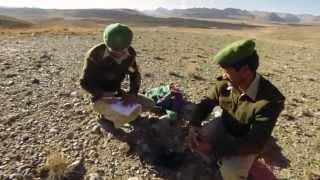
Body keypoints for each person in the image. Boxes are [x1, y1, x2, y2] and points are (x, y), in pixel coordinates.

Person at [188, 39, 285, 180]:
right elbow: (207, 103)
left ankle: (254, 167)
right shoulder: (225, 83)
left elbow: (254, 142)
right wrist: (194, 124)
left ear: (245, 71)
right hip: (226, 127)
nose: (223, 75)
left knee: (231, 171)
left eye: (227, 71)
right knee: (196, 140)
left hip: (247, 141)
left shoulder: (270, 101)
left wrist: (215, 149)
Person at [80, 23, 155, 126]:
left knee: (149, 104)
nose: (120, 55)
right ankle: (104, 118)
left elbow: (134, 74)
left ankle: (120, 115)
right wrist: (102, 94)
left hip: (118, 93)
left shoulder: (130, 54)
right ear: (107, 45)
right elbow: (84, 82)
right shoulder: (94, 55)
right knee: (121, 118)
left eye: (123, 51)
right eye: (114, 52)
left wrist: (132, 93)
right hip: (100, 96)